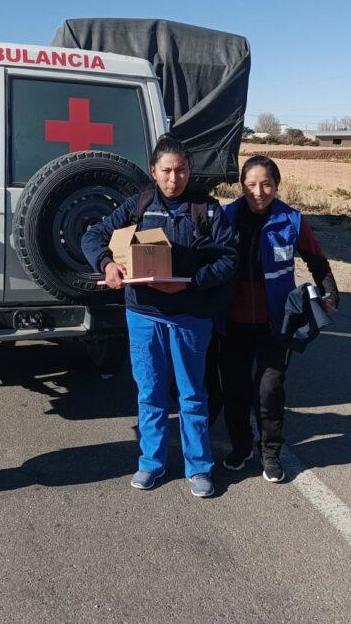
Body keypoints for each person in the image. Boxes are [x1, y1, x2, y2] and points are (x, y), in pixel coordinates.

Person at [82, 135, 237, 498]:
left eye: (180, 169)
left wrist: (192, 283)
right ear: (154, 171)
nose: (173, 178)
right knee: (149, 392)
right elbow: (94, 236)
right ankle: (151, 462)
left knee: (192, 394)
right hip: (144, 315)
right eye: (166, 170)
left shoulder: (208, 210)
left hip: (190, 315)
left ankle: (199, 467)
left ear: (189, 170)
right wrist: (106, 265)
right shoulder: (137, 206)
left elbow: (229, 258)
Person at [220, 155, 339, 483]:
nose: (259, 191)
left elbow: (317, 260)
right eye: (252, 184)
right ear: (242, 185)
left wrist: (329, 294)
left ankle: (269, 452)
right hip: (233, 321)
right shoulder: (226, 217)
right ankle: (241, 446)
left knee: (269, 390)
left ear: (277, 185)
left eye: (267, 184)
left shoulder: (292, 220)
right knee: (235, 388)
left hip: (277, 323)